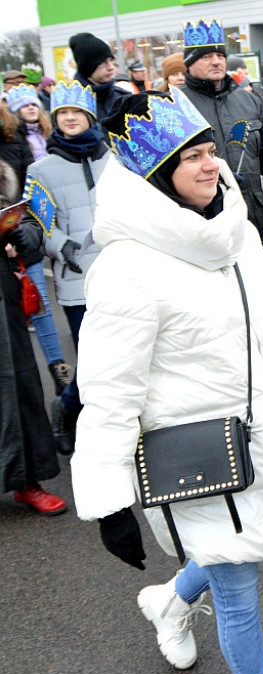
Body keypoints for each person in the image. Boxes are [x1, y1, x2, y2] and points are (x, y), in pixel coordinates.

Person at [71, 88, 263, 674]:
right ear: (157, 172)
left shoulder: (233, 232)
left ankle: (170, 600)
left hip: (255, 436)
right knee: (239, 584)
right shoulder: (128, 268)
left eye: (211, 150)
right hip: (193, 457)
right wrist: (109, 504)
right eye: (193, 157)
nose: (213, 165)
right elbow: (109, 391)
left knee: (234, 549)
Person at [21, 81, 111, 456]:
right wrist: (62, 245)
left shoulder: (115, 158)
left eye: (77, 112)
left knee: (125, 351)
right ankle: (67, 408)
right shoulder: (41, 168)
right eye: (63, 114)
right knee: (92, 359)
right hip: (76, 280)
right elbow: (39, 222)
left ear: (89, 116)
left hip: (119, 272)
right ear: (54, 119)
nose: (70, 118)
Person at [179, 18, 263, 243]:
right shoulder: (177, 104)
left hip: (253, 223)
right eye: (206, 56)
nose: (216, 62)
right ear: (189, 62)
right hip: (204, 227)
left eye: (220, 56)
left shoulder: (249, 101)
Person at [1, 159, 66, 516]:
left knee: (17, 387)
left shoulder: (3, 176)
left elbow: (28, 226)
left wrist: (20, 234)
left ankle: (28, 482)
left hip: (2, 300)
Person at [6, 84, 72, 393]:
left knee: (40, 305)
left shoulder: (13, 145)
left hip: (18, 236)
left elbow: (27, 197)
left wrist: (14, 232)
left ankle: (59, 373)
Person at [69, 32, 129, 127]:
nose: (111, 67)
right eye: (102, 62)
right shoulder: (71, 103)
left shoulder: (124, 98)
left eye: (111, 60)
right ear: (88, 67)